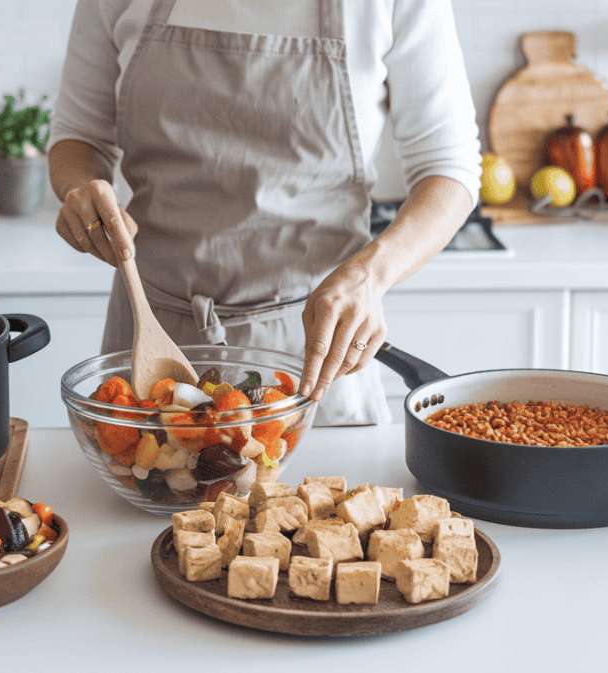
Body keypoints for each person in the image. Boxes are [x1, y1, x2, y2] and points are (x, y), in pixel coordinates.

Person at [48, 0, 480, 426]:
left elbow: (450, 171)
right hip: (151, 335)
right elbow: (78, 136)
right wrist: (79, 189)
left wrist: (371, 275)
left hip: (311, 349)